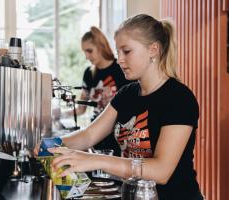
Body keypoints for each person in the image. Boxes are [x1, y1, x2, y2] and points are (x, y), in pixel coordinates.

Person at [36, 14, 203, 200]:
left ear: (153, 50)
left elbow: (161, 171)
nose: (120, 59)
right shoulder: (127, 94)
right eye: (118, 52)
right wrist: (52, 144)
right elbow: (90, 135)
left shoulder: (178, 98)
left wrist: (95, 160)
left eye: (127, 51)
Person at [63, 26, 132, 156]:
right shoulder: (89, 74)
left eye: (89, 51)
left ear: (100, 46)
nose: (87, 56)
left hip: (118, 137)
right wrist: (59, 115)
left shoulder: (121, 69)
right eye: (84, 52)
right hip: (96, 135)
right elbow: (81, 109)